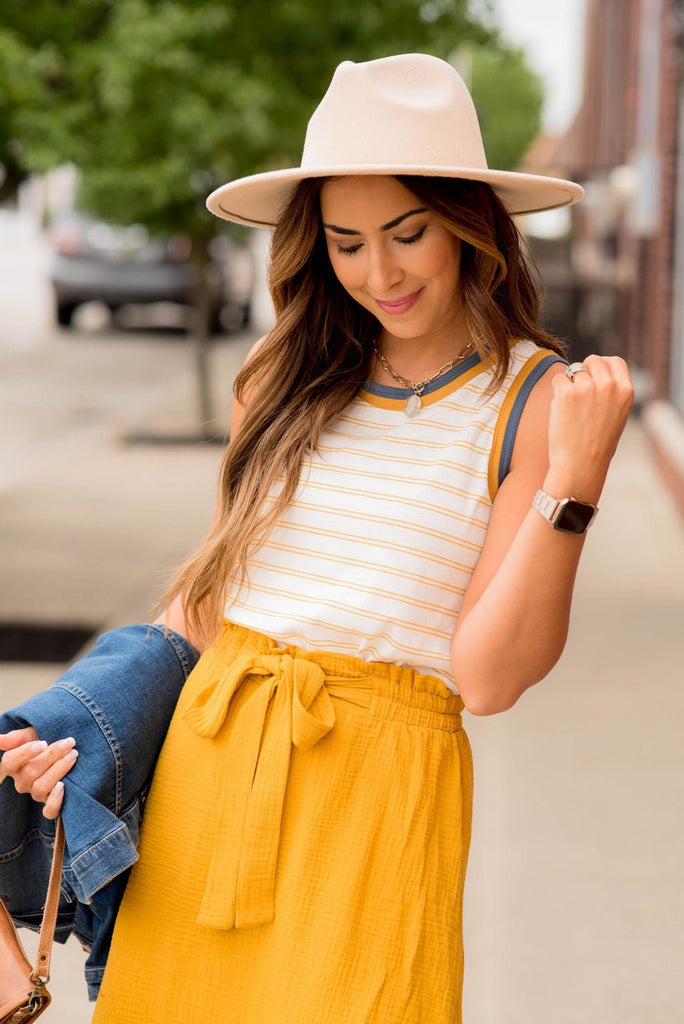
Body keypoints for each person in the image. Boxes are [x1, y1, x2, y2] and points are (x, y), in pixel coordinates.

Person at [0, 54, 633, 1023]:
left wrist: (574, 489)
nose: (378, 272)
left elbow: (491, 677)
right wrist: (93, 726)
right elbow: (207, 602)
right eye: (344, 242)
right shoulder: (281, 372)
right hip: (213, 772)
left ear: (470, 224)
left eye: (407, 233)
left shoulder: (531, 399)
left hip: (380, 801)